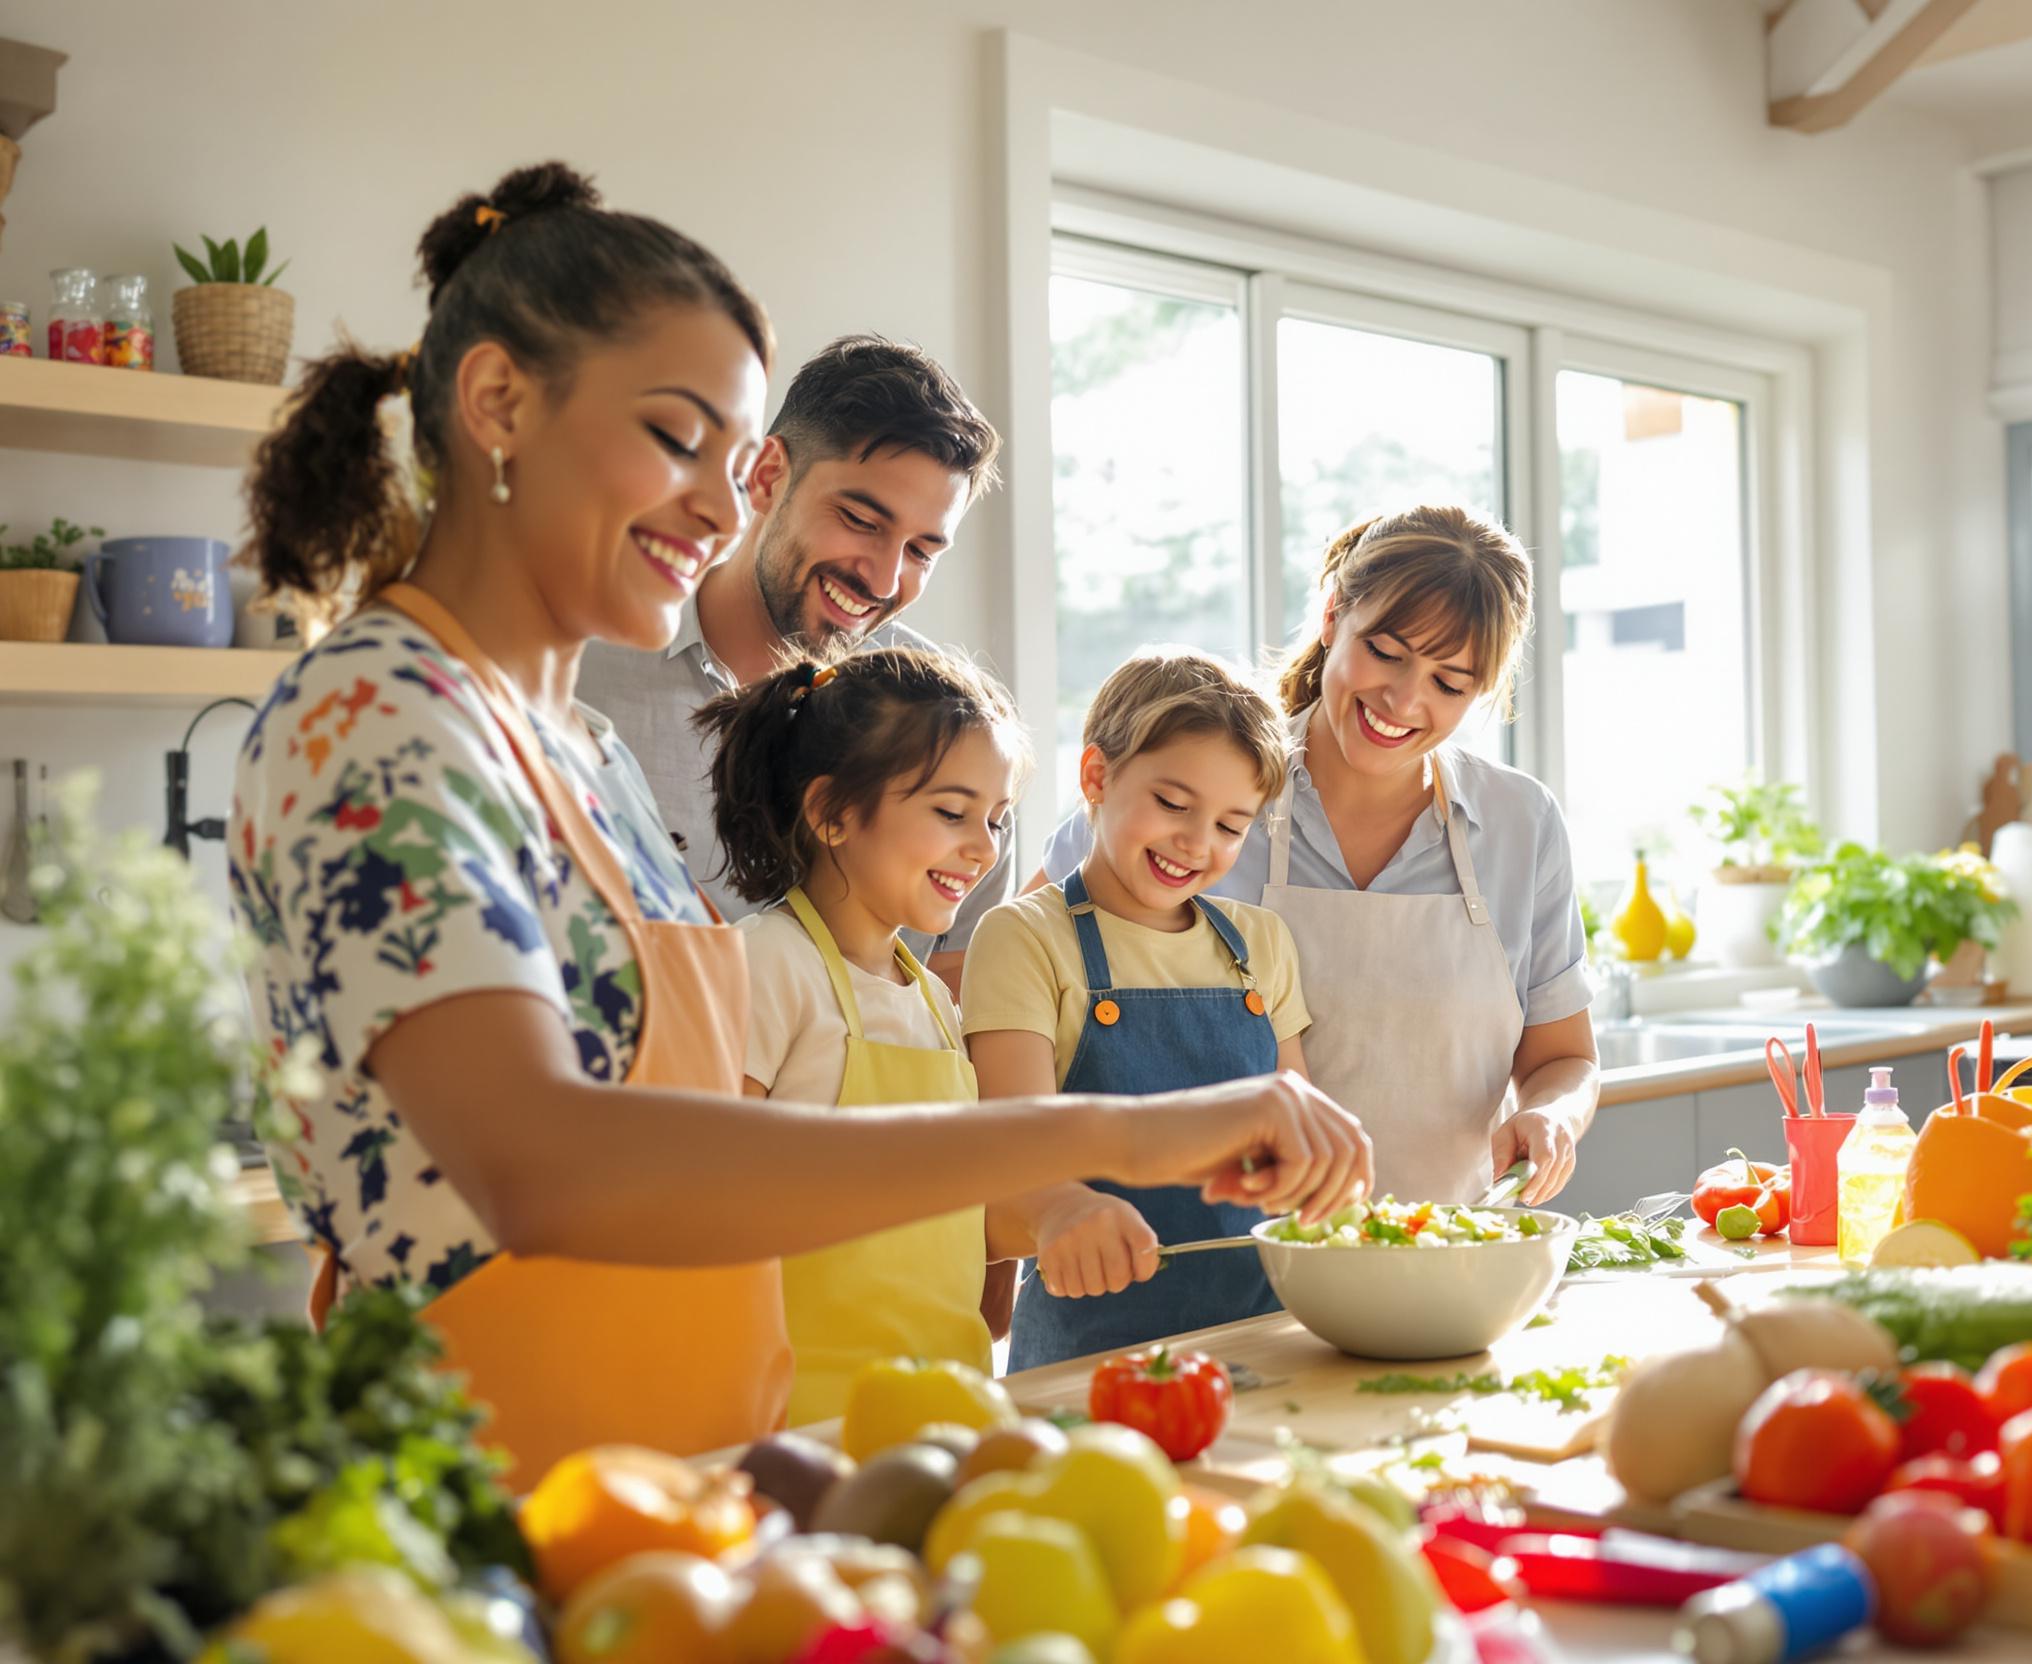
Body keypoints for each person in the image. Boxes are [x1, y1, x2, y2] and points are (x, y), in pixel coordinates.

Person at [227, 162, 1370, 1488]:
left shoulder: (575, 746)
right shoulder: (380, 716)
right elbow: (541, 1168)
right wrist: (1112, 1134)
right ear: (497, 404)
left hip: (679, 1479)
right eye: (675, 439)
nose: (721, 507)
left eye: (733, 460)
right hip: (484, 1495)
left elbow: (706, 1127)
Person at [1039, 506, 1598, 1210]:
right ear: (1334, 616)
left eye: (1449, 683)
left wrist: (1553, 1114)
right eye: (1386, 652)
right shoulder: (1204, 792)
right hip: (1202, 1266)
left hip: (1445, 1262)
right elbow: (1020, 962)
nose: (1403, 699)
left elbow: (1564, 1058)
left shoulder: (1523, 824)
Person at [574, 335, 1009, 991]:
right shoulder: (579, 667)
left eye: (922, 551)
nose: (885, 578)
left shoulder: (953, 731)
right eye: (861, 519)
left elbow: (953, 1018)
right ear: (768, 476)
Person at [695, 646, 1022, 1422]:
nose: (985, 848)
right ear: (832, 812)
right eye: (952, 813)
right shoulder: (769, 963)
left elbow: (965, 1226)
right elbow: (704, 1209)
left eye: (997, 820)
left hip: (947, 1411)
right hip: (806, 1423)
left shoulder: (935, 1002)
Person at [964, 650, 1306, 1369]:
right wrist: (1060, 1206)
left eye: (1231, 825)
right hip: (1090, 1354)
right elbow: (1004, 1151)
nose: (1197, 843)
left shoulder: (1261, 944)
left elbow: (1297, 1134)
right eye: (1174, 805)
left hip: (1264, 1335)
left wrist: (1321, 1179)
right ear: (1097, 776)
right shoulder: (1024, 936)